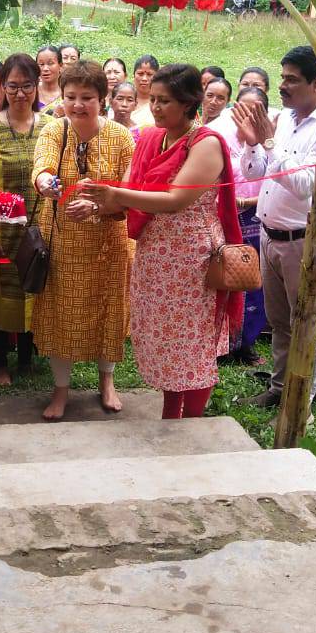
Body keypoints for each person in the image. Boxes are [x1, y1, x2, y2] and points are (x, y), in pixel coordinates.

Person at [82, 64, 242, 420]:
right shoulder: (153, 138)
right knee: (166, 339)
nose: (154, 107)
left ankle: (192, 421)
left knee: (194, 342)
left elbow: (174, 200)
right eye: (152, 99)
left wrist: (115, 195)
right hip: (156, 254)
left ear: (188, 104)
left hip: (192, 259)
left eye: (164, 101)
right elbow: (129, 188)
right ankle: (171, 412)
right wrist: (99, 199)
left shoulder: (206, 144)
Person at [232, 45, 316, 408]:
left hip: (304, 241)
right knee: (280, 321)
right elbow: (254, 172)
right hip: (270, 235)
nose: (282, 86)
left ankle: (301, 400)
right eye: (282, 77)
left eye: (291, 80)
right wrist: (254, 146)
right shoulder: (284, 119)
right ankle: (278, 388)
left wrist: (268, 143)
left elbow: (307, 187)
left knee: (305, 325)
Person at [32, 60, 134, 421]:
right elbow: (41, 169)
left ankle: (107, 381)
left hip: (108, 242)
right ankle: (61, 390)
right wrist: (44, 182)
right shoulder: (53, 132)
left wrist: (97, 207)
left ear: (102, 99)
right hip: (61, 241)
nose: (78, 104)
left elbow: (129, 190)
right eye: (71, 96)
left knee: (108, 312)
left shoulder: (121, 137)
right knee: (61, 314)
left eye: (87, 97)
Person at [0, 54, 51, 385]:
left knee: (34, 288)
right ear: (3, 87)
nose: (20, 94)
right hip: (0, 228)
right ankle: (1, 362)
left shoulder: (50, 126)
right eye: (13, 86)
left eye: (27, 86)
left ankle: (27, 360)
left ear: (37, 87)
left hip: (40, 226)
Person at [206, 85, 269, 362]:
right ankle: (221, 342)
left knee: (254, 280)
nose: (247, 114)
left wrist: (254, 142)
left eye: (255, 109)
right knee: (223, 276)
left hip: (258, 216)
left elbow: (273, 175)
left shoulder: (271, 136)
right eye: (242, 107)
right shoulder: (217, 132)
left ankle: (246, 342)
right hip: (225, 214)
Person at [131, 54, 159, 129]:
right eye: (140, 74)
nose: (144, 78)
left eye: (149, 74)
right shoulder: (123, 99)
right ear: (134, 75)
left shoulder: (160, 103)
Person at [36, 45, 64, 114]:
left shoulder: (67, 94)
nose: (45, 68)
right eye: (41, 64)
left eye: (50, 63)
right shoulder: (31, 92)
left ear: (60, 66)